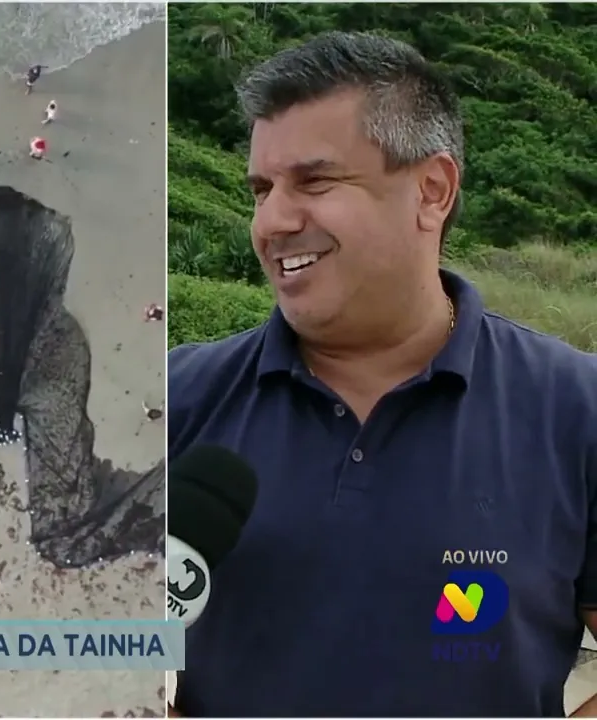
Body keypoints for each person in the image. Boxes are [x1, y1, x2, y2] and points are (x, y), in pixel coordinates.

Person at [167, 32, 597, 718]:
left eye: (314, 181)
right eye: (260, 189)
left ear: (432, 191)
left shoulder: (577, 409)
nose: (272, 221)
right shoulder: (170, 399)